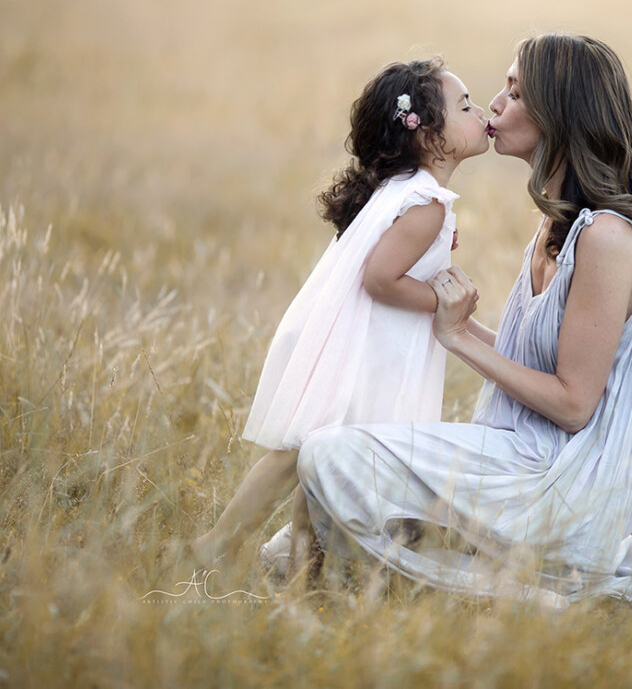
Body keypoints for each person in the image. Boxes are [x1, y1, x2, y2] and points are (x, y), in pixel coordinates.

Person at [293, 34, 632, 610]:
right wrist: (452, 319)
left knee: (327, 459)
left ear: (560, 113)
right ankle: (499, 580)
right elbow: (531, 362)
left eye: (514, 92)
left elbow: (572, 403)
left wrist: (459, 337)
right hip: (519, 457)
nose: (494, 105)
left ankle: (528, 599)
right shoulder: (556, 225)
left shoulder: (606, 238)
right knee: (308, 515)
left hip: (560, 484)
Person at [192, 57, 489, 577]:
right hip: (367, 346)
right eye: (464, 105)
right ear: (428, 136)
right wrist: (444, 300)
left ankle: (306, 564)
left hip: (361, 338)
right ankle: (218, 544)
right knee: (303, 451)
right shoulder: (427, 205)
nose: (480, 110)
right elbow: (380, 279)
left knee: (322, 459)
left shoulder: (409, 193)